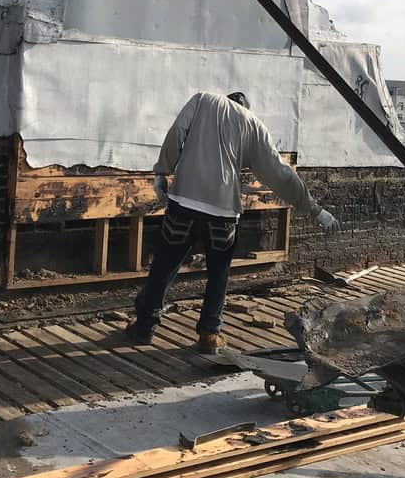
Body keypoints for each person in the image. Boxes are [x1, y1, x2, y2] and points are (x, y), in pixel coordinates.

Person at [123, 91, 340, 353]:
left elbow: (177, 132)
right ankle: (209, 336)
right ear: (246, 108)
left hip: (185, 203)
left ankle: (145, 327)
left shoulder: (203, 100)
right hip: (223, 211)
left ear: (227, 100)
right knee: (218, 274)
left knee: (165, 265)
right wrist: (314, 210)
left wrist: (162, 170)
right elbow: (280, 174)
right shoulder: (252, 124)